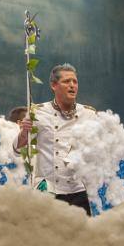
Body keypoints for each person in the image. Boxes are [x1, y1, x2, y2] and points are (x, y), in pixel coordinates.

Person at [14, 63, 96, 215]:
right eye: (66, 81)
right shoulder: (37, 112)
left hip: (80, 191)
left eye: (75, 81)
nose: (72, 85)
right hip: (49, 191)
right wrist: (24, 132)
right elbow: (17, 150)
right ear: (54, 85)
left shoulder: (89, 114)